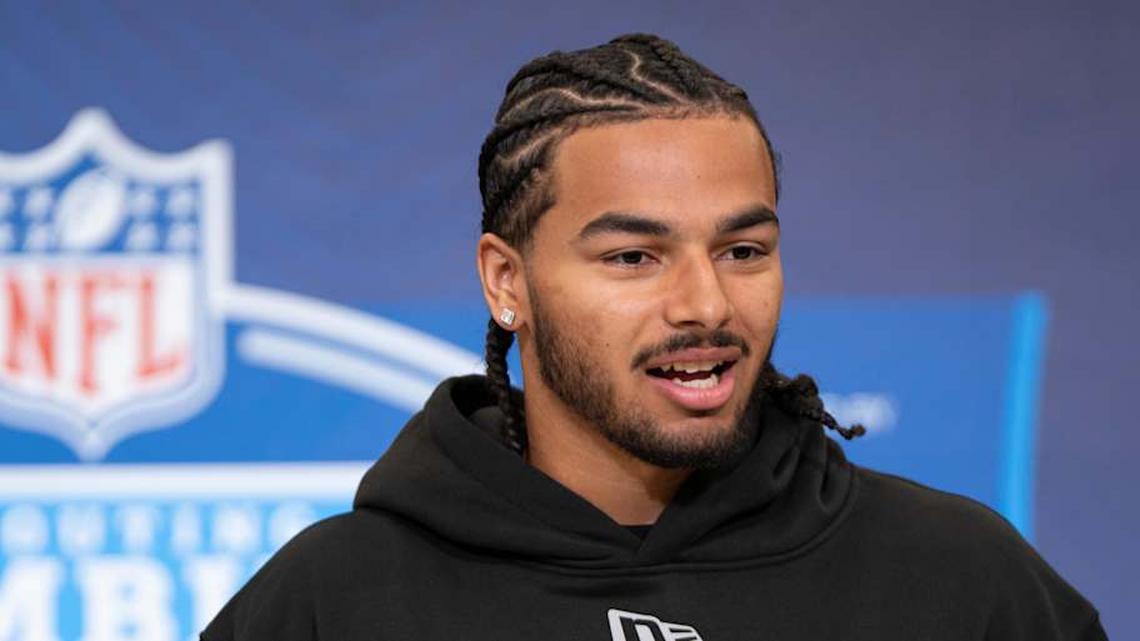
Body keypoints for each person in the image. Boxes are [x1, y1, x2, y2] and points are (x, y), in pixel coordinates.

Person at [201, 33, 1107, 640]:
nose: (706, 303)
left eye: (743, 250)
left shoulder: (963, 581)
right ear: (507, 281)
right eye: (634, 257)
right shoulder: (335, 603)